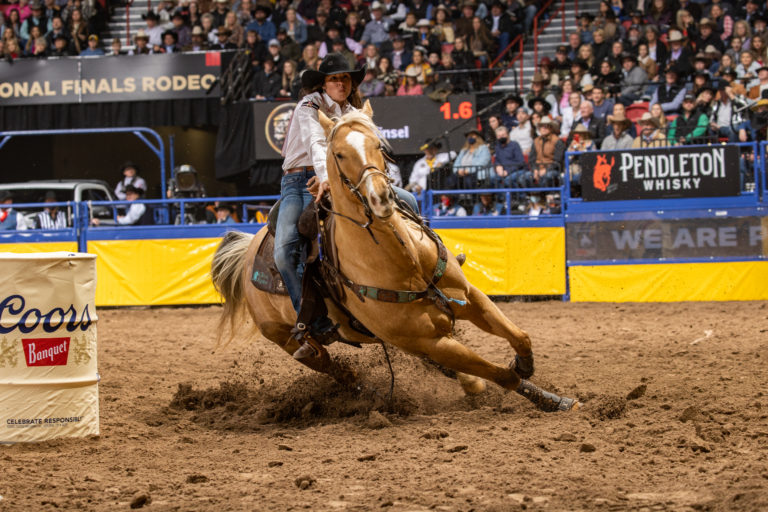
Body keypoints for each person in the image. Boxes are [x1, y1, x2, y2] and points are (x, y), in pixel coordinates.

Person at [276, 52, 415, 361]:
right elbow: (316, 141)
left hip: (343, 178)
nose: (340, 82)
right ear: (322, 84)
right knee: (285, 250)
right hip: (300, 181)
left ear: (351, 83)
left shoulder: (354, 111)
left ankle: (428, 267)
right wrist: (323, 179)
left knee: (409, 201)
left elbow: (369, 145)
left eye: (345, 78)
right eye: (333, 78)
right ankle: (310, 323)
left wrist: (379, 178)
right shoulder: (308, 105)